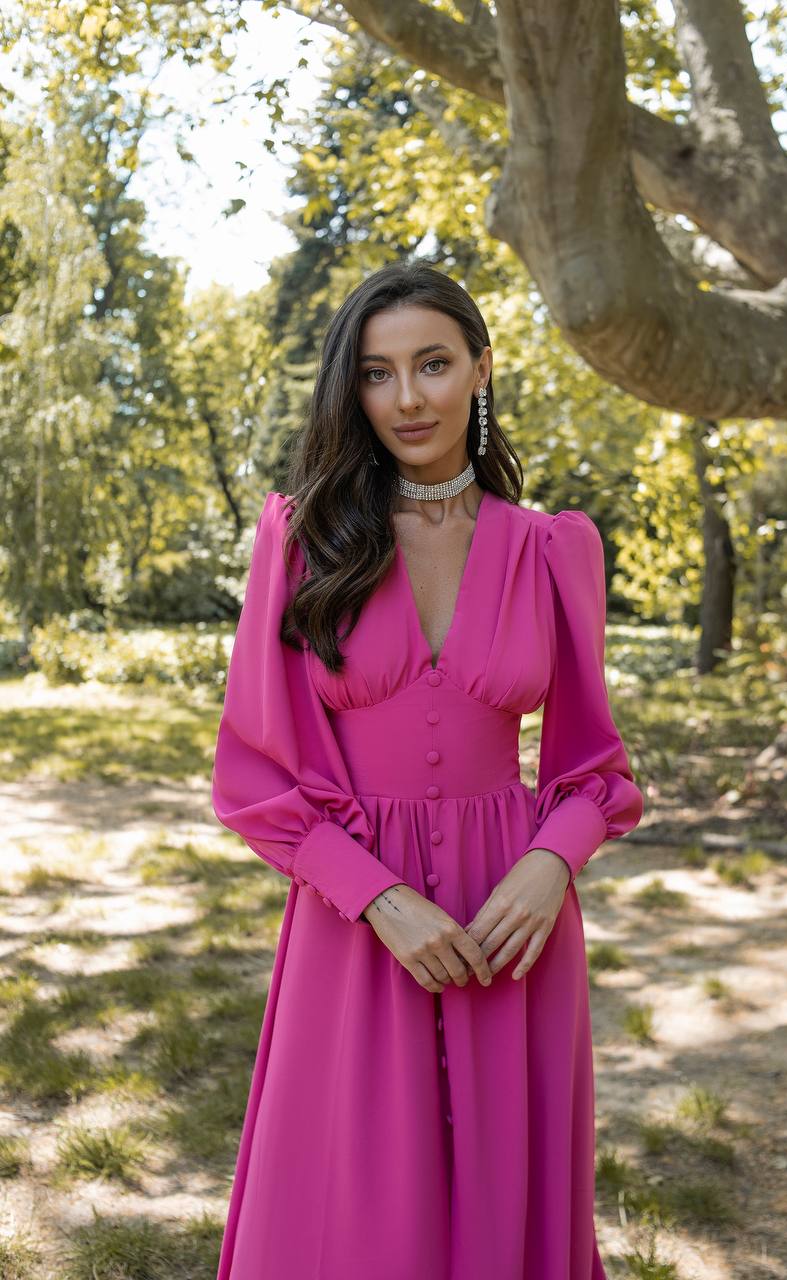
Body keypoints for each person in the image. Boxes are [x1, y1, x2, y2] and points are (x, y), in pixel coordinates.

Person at [211, 260, 644, 1279]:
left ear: (480, 368)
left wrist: (552, 864)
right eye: (376, 373)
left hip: (513, 923)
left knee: (506, 1197)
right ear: (349, 389)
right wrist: (379, 899)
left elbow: (593, 765)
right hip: (356, 917)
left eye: (433, 364)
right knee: (356, 1212)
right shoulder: (304, 539)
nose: (407, 398)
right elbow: (253, 774)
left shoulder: (552, 549)